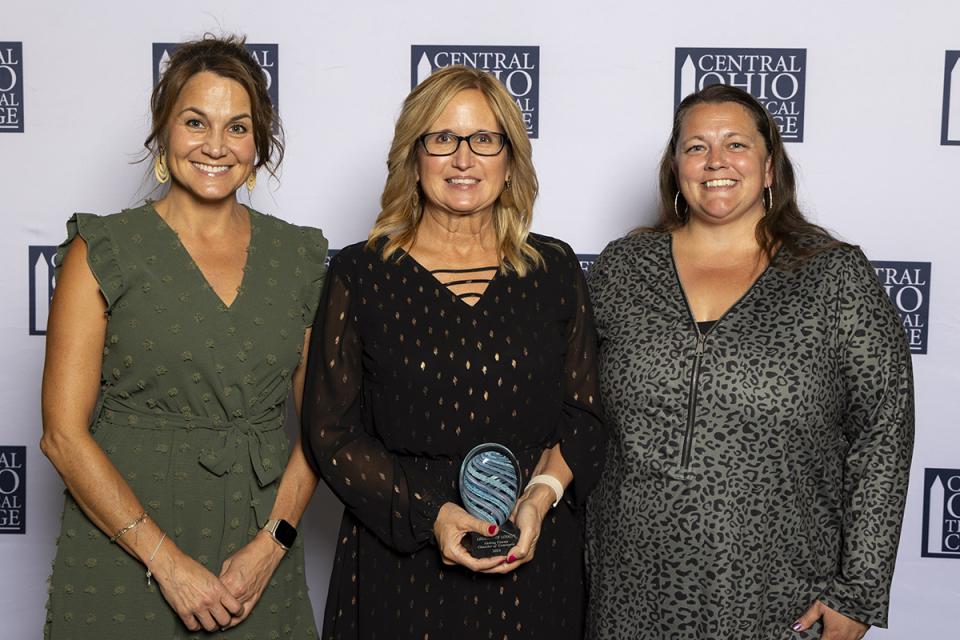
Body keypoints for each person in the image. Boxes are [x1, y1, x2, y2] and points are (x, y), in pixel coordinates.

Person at [584, 84, 914, 640]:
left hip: (776, 594)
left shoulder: (834, 277)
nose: (715, 162)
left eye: (736, 144)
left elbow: (883, 431)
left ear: (768, 169)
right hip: (628, 593)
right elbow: (575, 406)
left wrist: (859, 591)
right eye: (696, 147)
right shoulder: (623, 268)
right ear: (675, 169)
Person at [301, 64, 606, 639]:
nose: (463, 159)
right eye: (442, 139)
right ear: (413, 159)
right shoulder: (360, 273)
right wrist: (430, 515)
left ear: (510, 159)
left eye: (484, 140)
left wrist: (540, 500)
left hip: (532, 559)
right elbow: (331, 433)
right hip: (400, 561)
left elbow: (585, 415)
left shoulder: (555, 268)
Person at [41, 35, 326, 639]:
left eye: (238, 127)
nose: (217, 146)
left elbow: (320, 430)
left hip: (255, 558)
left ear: (260, 142)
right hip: (124, 556)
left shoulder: (300, 256)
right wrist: (166, 564)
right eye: (196, 122)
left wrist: (271, 546)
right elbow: (63, 436)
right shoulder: (104, 249)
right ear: (164, 131)